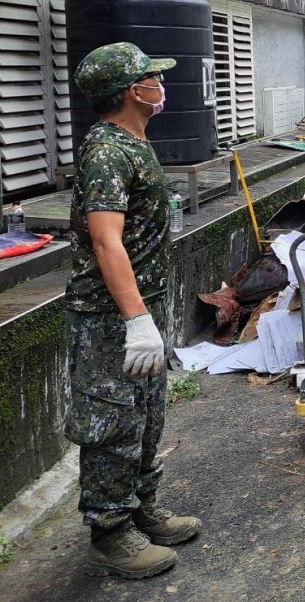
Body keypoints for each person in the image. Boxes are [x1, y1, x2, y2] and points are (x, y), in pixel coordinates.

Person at [66, 42, 202, 579]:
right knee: (112, 421)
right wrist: (135, 319)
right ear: (131, 91)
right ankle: (110, 532)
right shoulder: (106, 151)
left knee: (146, 414)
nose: (159, 85)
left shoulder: (133, 142)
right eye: (150, 77)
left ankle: (141, 506)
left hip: (138, 307)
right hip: (108, 316)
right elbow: (105, 243)